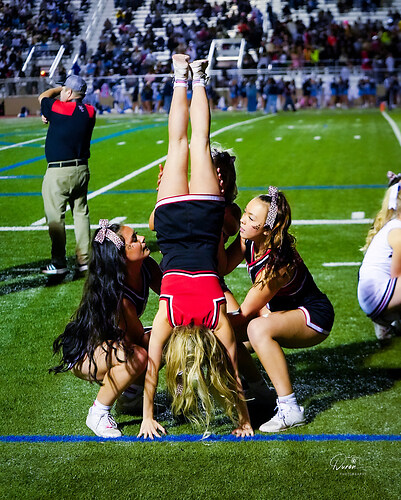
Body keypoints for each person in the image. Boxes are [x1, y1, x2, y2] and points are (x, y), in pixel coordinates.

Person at [138, 55, 253, 439]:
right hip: (172, 220)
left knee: (196, 141)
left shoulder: (215, 316)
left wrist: (243, 420)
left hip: (204, 218)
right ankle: (181, 75)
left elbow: (232, 369)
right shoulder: (167, 315)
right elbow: (153, 366)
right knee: (180, 143)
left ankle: (197, 76)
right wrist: (147, 415)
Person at [222, 188, 335, 432]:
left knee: (255, 328)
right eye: (246, 212)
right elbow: (222, 267)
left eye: (251, 218)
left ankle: (290, 408)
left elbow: (244, 315)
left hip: (312, 317)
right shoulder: (248, 239)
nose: (243, 220)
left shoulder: (277, 264)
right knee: (225, 324)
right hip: (277, 314)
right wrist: (215, 230)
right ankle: (260, 392)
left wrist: (205, 323)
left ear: (267, 229)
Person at [50, 220, 162, 438]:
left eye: (137, 234)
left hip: (113, 343)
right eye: (134, 239)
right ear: (121, 257)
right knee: (140, 354)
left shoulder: (146, 265)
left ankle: (130, 398)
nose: (142, 239)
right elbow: (139, 339)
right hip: (85, 353)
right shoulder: (119, 298)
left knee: (157, 343)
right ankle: (98, 412)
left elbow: (170, 294)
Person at [38, 75, 96, 277]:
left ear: (69, 92)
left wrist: (57, 90)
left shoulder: (59, 108)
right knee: (81, 214)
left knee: (55, 218)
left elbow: (43, 97)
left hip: (59, 172)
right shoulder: (90, 111)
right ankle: (85, 261)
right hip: (81, 170)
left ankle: (58, 261)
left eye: (64, 90)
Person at [358, 171, 401, 340]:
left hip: (373, 298)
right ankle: (391, 320)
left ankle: (390, 323)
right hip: (379, 298)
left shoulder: (393, 225)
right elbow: (397, 276)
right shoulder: (397, 232)